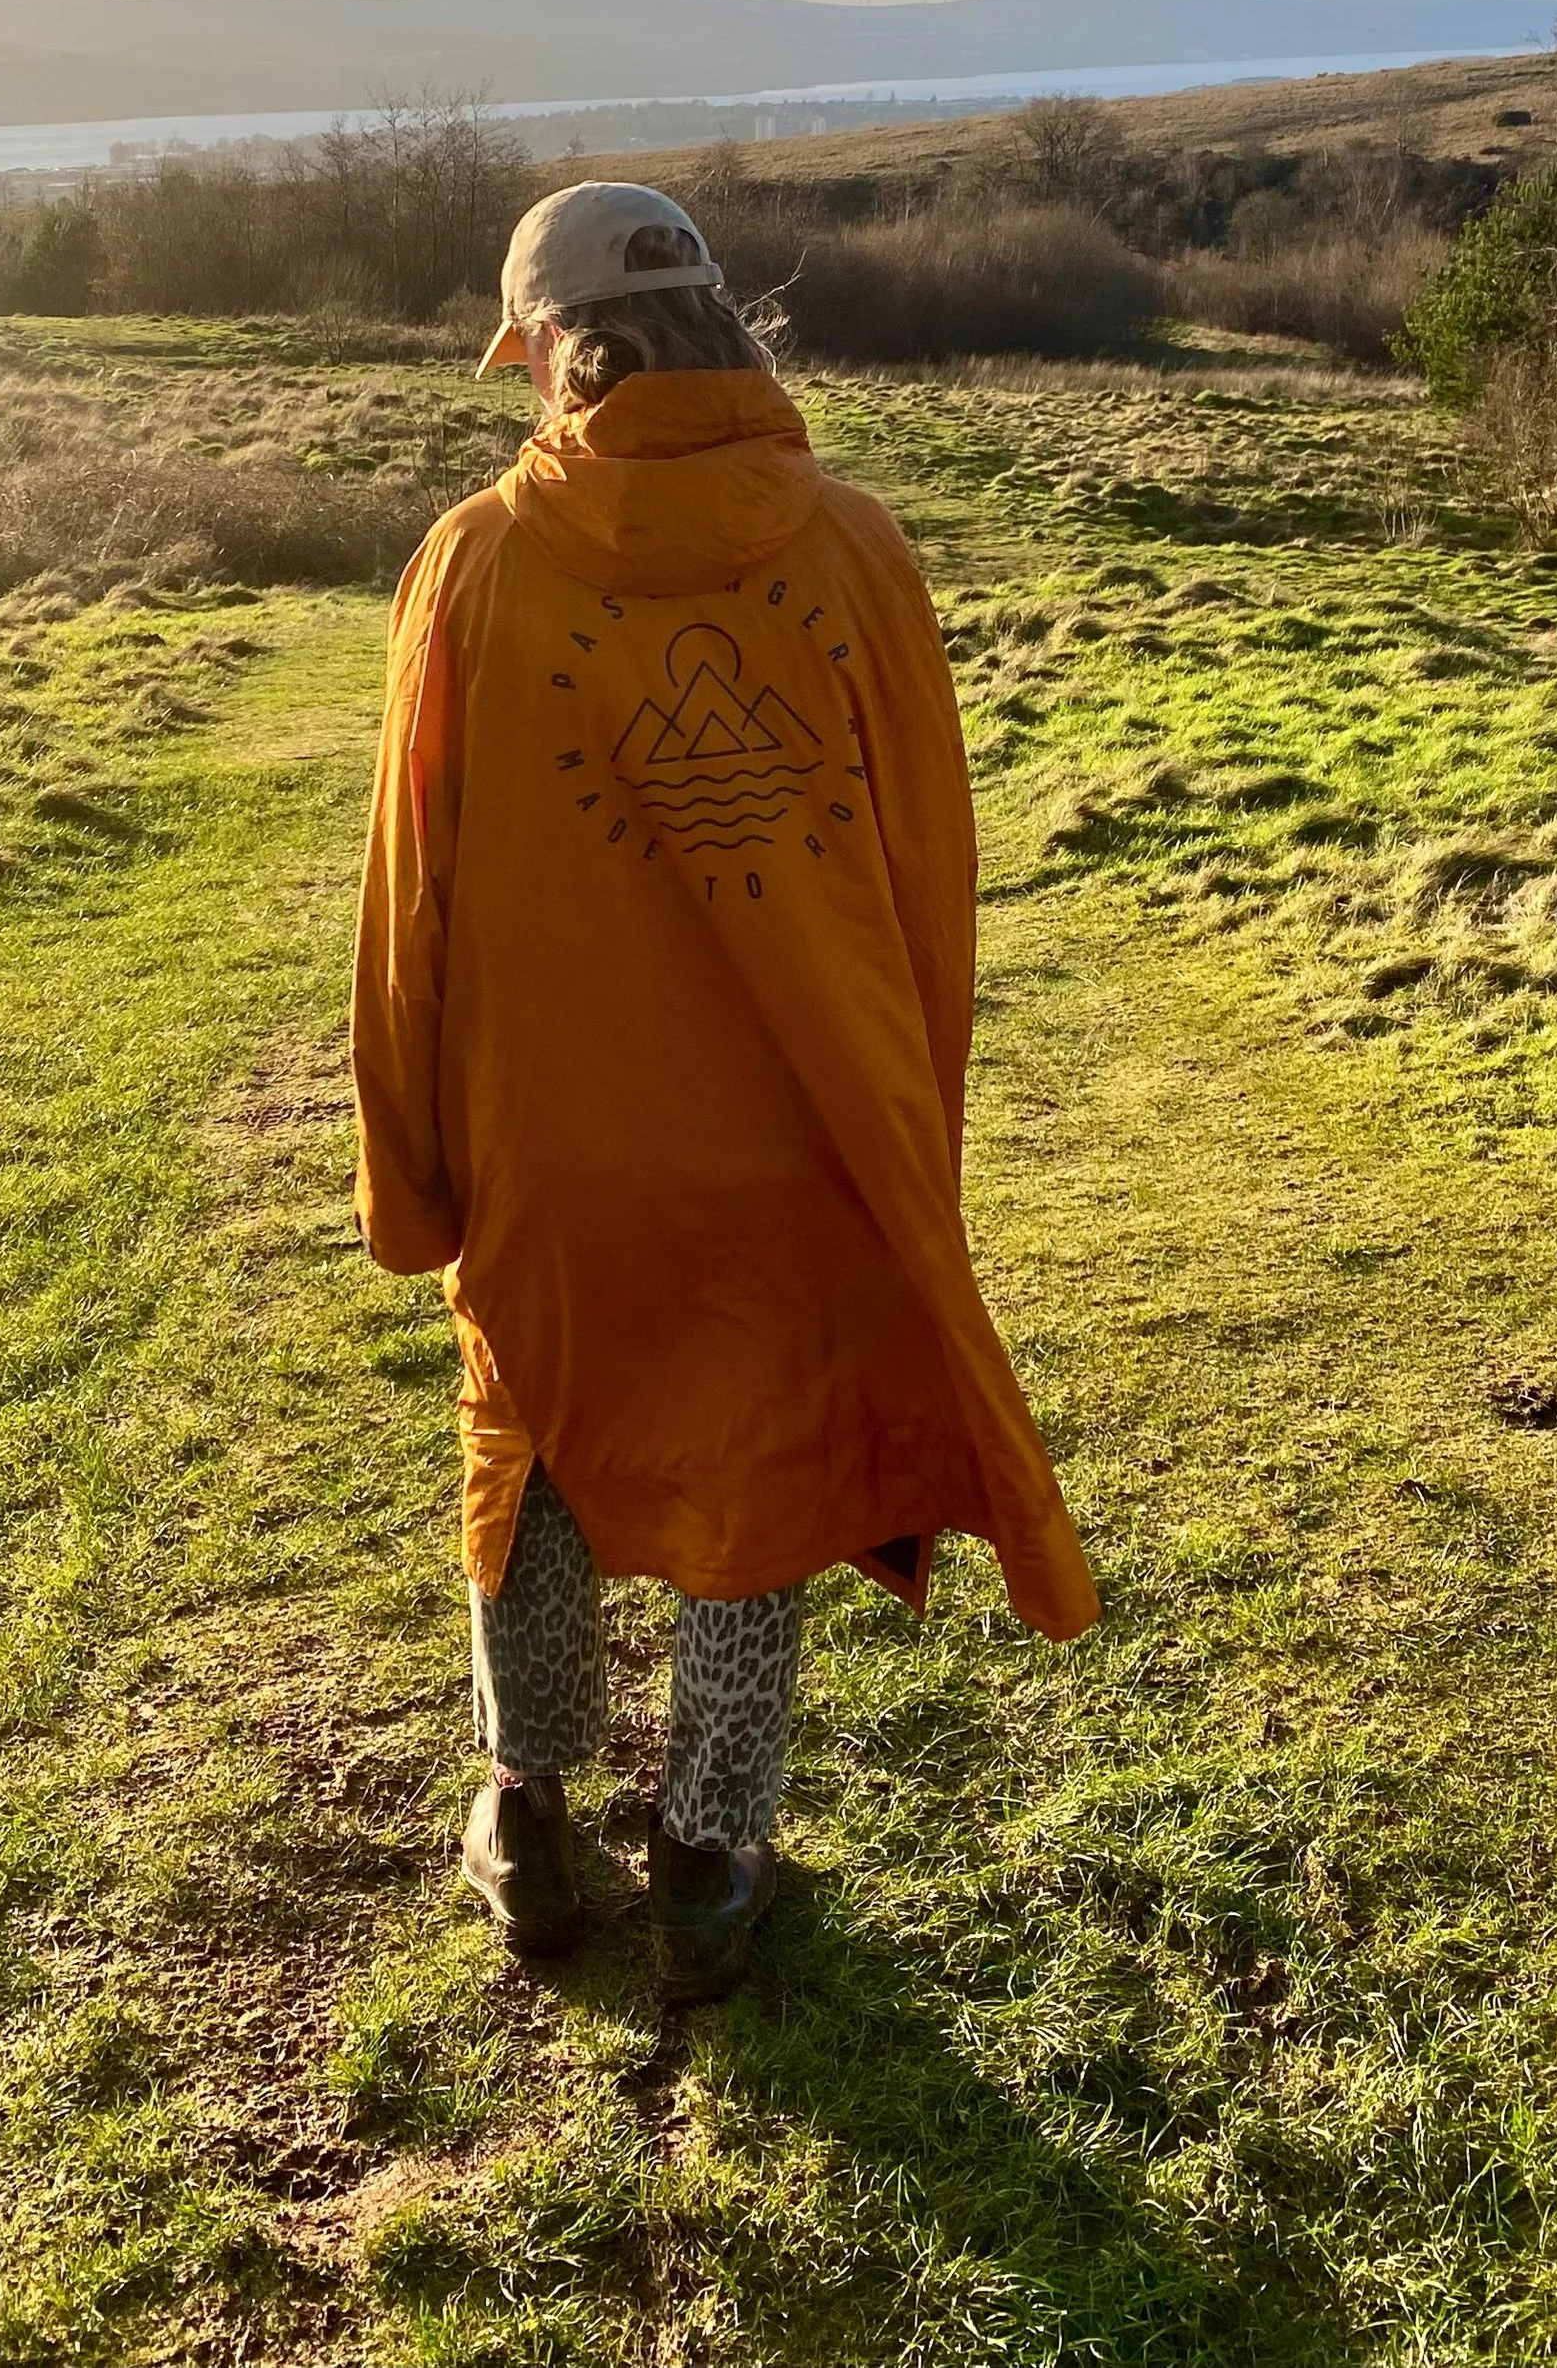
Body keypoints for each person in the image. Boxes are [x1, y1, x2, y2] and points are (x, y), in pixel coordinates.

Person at [350, 179, 1098, 2000]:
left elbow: (407, 899)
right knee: (758, 1470)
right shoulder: (856, 547)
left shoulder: (476, 557)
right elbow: (932, 876)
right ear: (719, 326)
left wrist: (413, 1166)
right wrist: (910, 1127)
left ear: (547, 351)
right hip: (806, 1122)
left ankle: (527, 1816)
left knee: (530, 1446)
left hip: (554, 1138)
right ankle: (711, 1848)